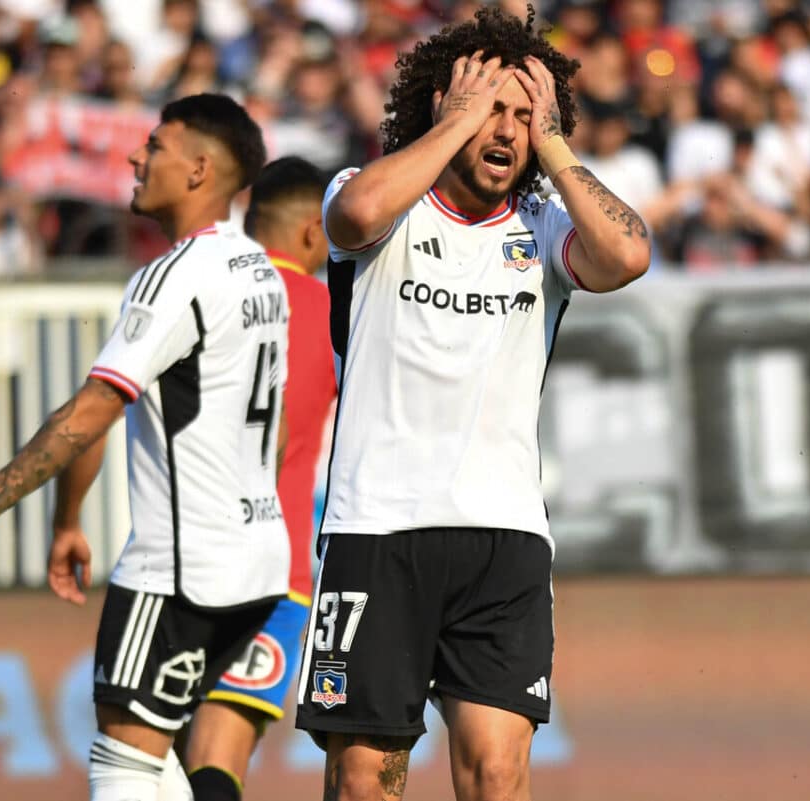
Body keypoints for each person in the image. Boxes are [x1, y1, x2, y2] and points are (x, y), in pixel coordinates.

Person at [294, 7, 649, 801]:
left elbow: (627, 253)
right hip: (377, 528)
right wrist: (457, 122)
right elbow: (353, 217)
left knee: (497, 774)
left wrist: (553, 142)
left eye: (525, 116)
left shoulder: (544, 226)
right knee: (365, 780)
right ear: (443, 105)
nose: (508, 130)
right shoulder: (373, 198)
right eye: (493, 109)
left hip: (504, 536)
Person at [0, 93, 290, 801]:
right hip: (257, 563)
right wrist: (68, 519)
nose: (134, 156)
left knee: (123, 764)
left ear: (199, 169)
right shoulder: (255, 268)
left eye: (155, 146)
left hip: (182, 569)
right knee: (158, 755)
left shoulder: (174, 277)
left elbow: (94, 407)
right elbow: (114, 401)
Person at [178, 156, 338, 801]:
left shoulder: (202, 291)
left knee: (157, 756)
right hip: (274, 565)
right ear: (312, 231)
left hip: (179, 557)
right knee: (218, 753)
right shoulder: (334, 312)